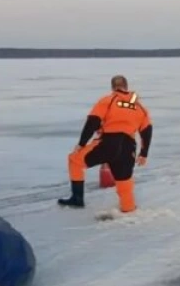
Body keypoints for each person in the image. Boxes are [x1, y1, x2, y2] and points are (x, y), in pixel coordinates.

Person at [58, 75, 153, 213]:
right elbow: (147, 131)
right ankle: (128, 208)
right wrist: (144, 153)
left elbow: (93, 121)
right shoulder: (140, 108)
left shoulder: (108, 100)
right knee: (124, 181)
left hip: (108, 142)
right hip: (129, 147)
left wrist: (81, 143)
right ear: (126, 87)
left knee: (74, 160)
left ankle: (77, 199)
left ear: (113, 87)